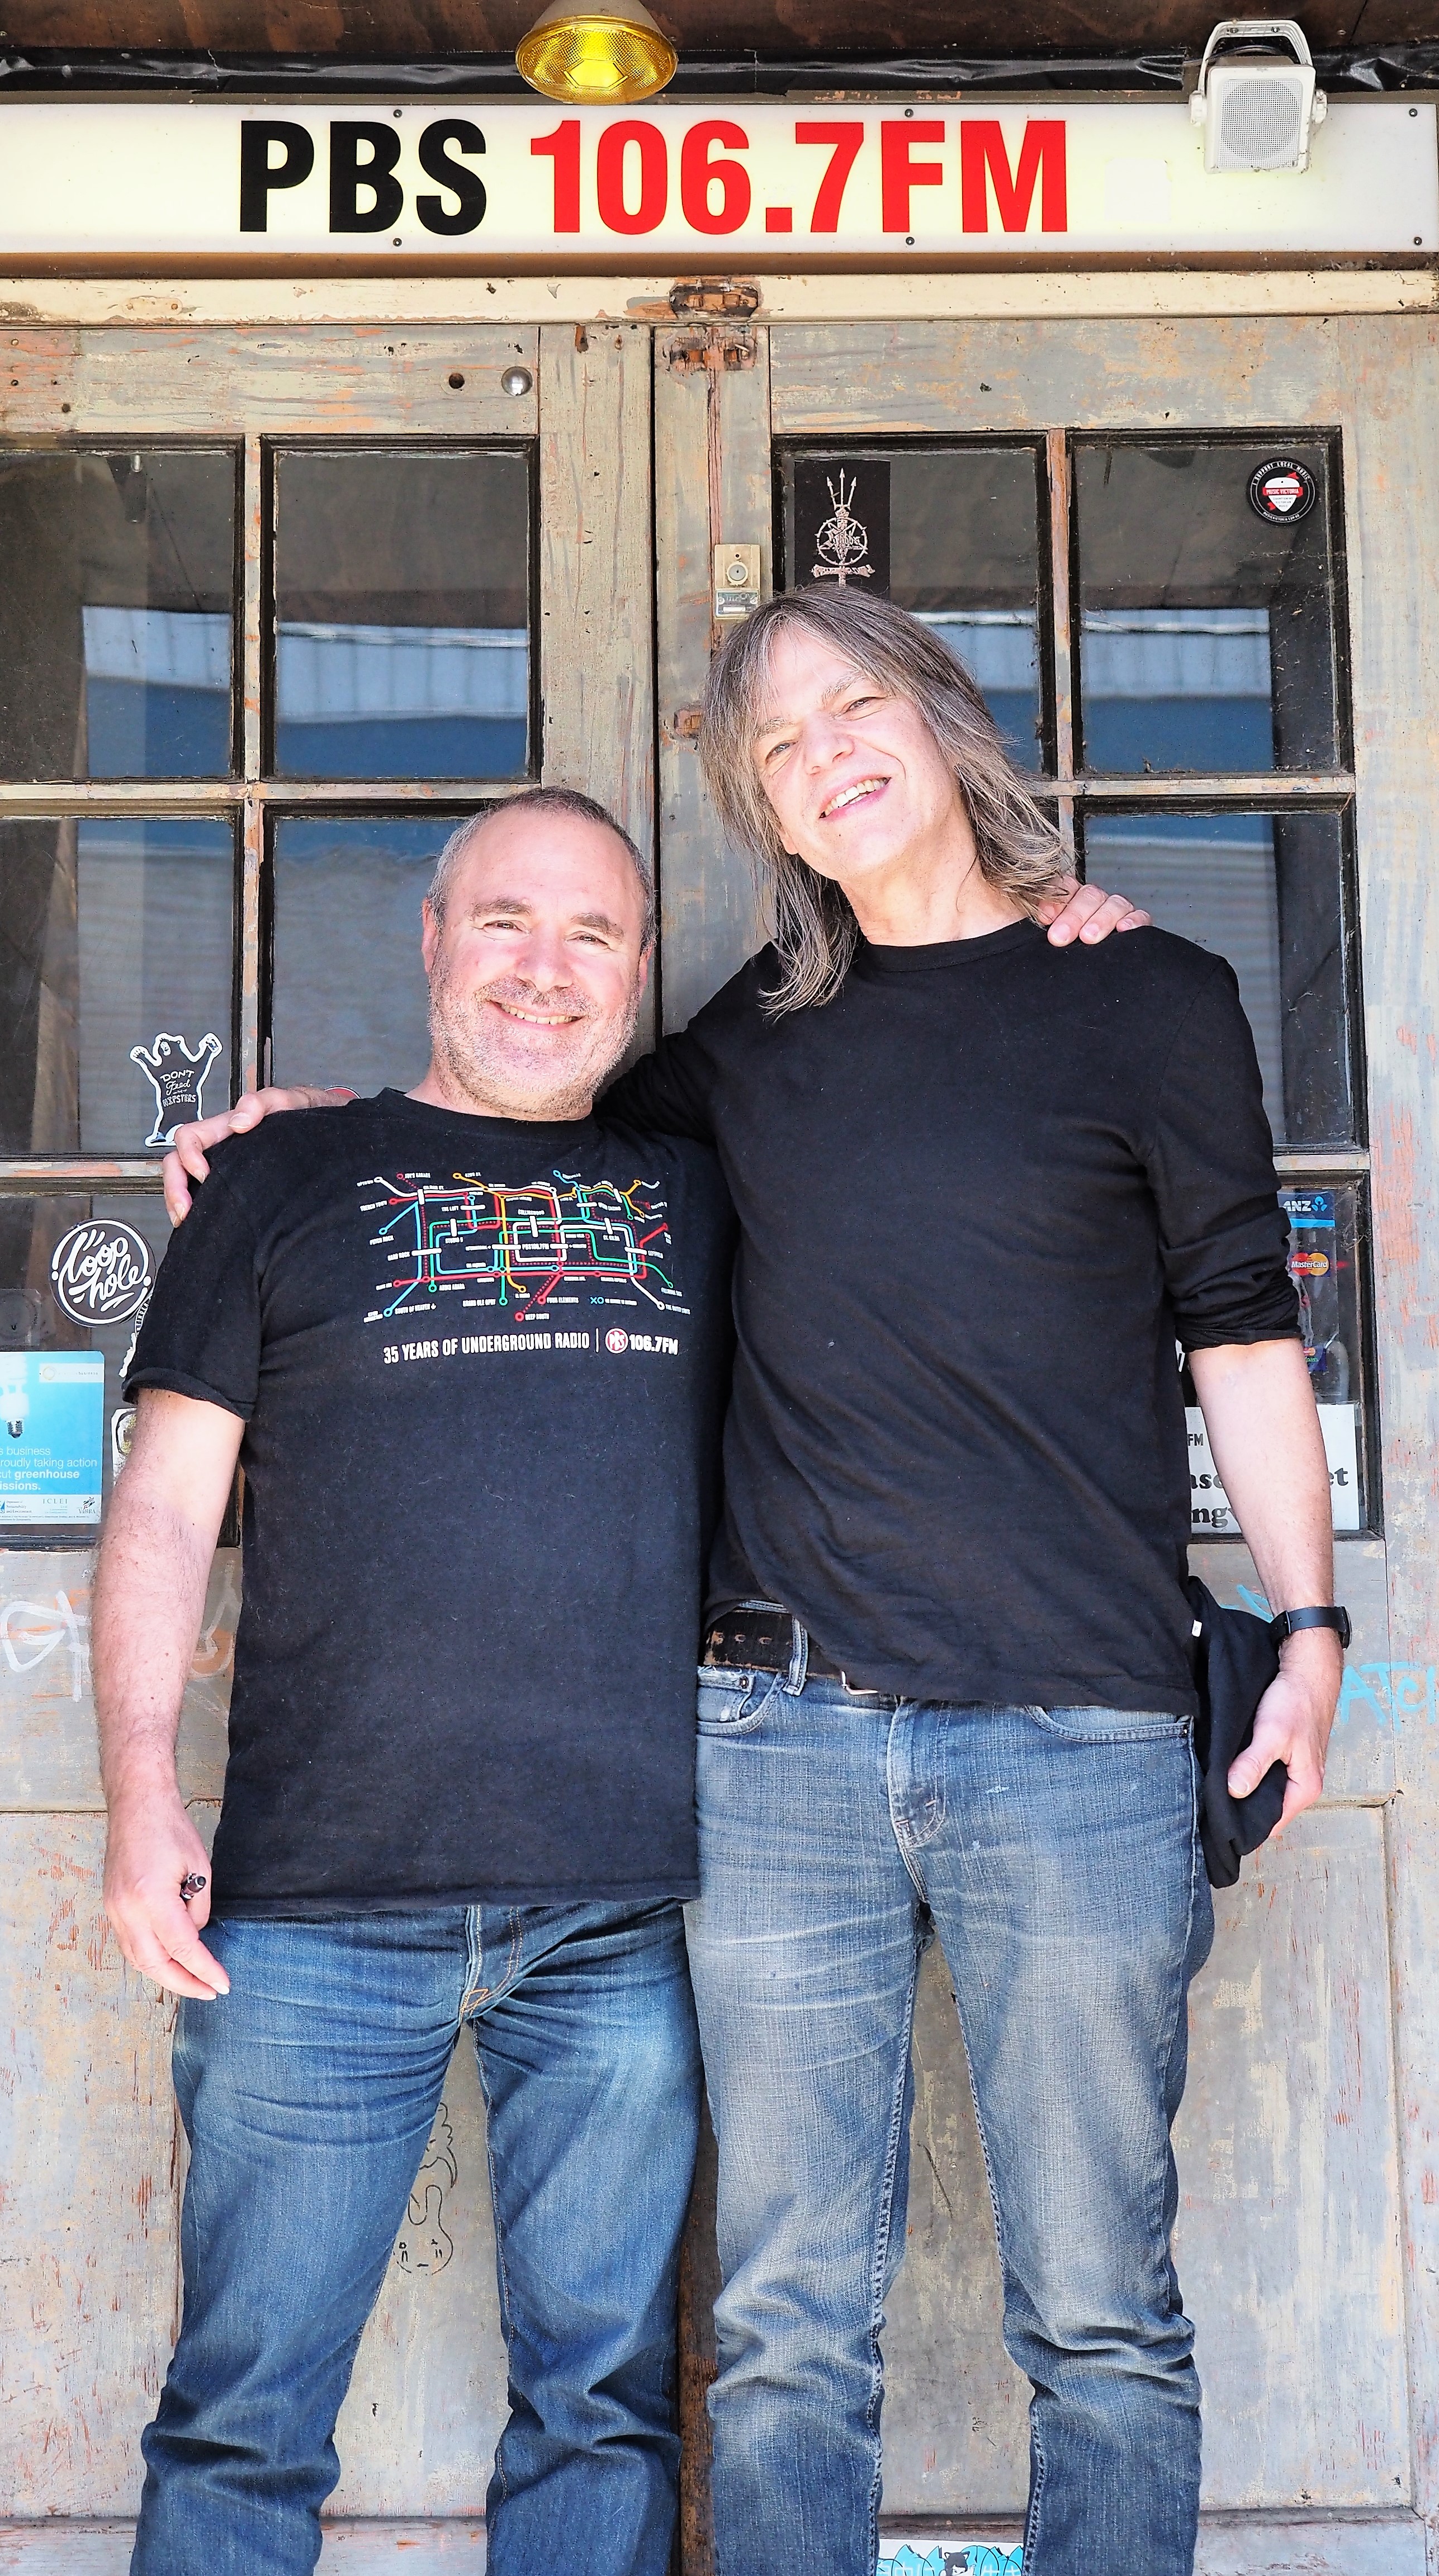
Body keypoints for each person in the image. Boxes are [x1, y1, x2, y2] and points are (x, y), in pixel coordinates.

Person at [163, 615, 1271, 2576]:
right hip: (746, 1759)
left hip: (1034, 1743)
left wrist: (1309, 1622)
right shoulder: (737, 1058)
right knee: (763, 2336)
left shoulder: (1131, 999)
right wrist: (296, 1138)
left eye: (857, 706)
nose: (826, 754)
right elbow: (494, 1111)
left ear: (940, 717)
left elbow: (1238, 1321)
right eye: (777, 742)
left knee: (1085, 2321)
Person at [97, 787, 736, 2576]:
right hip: (314, 1906)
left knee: (604, 2406)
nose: (545, 968)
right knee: (240, 2418)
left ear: (637, 974)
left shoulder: (707, 1193)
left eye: (591, 934)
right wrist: (140, 1792)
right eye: (505, 921)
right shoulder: (278, 1180)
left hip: (623, 1907)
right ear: (433, 940)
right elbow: (166, 1506)